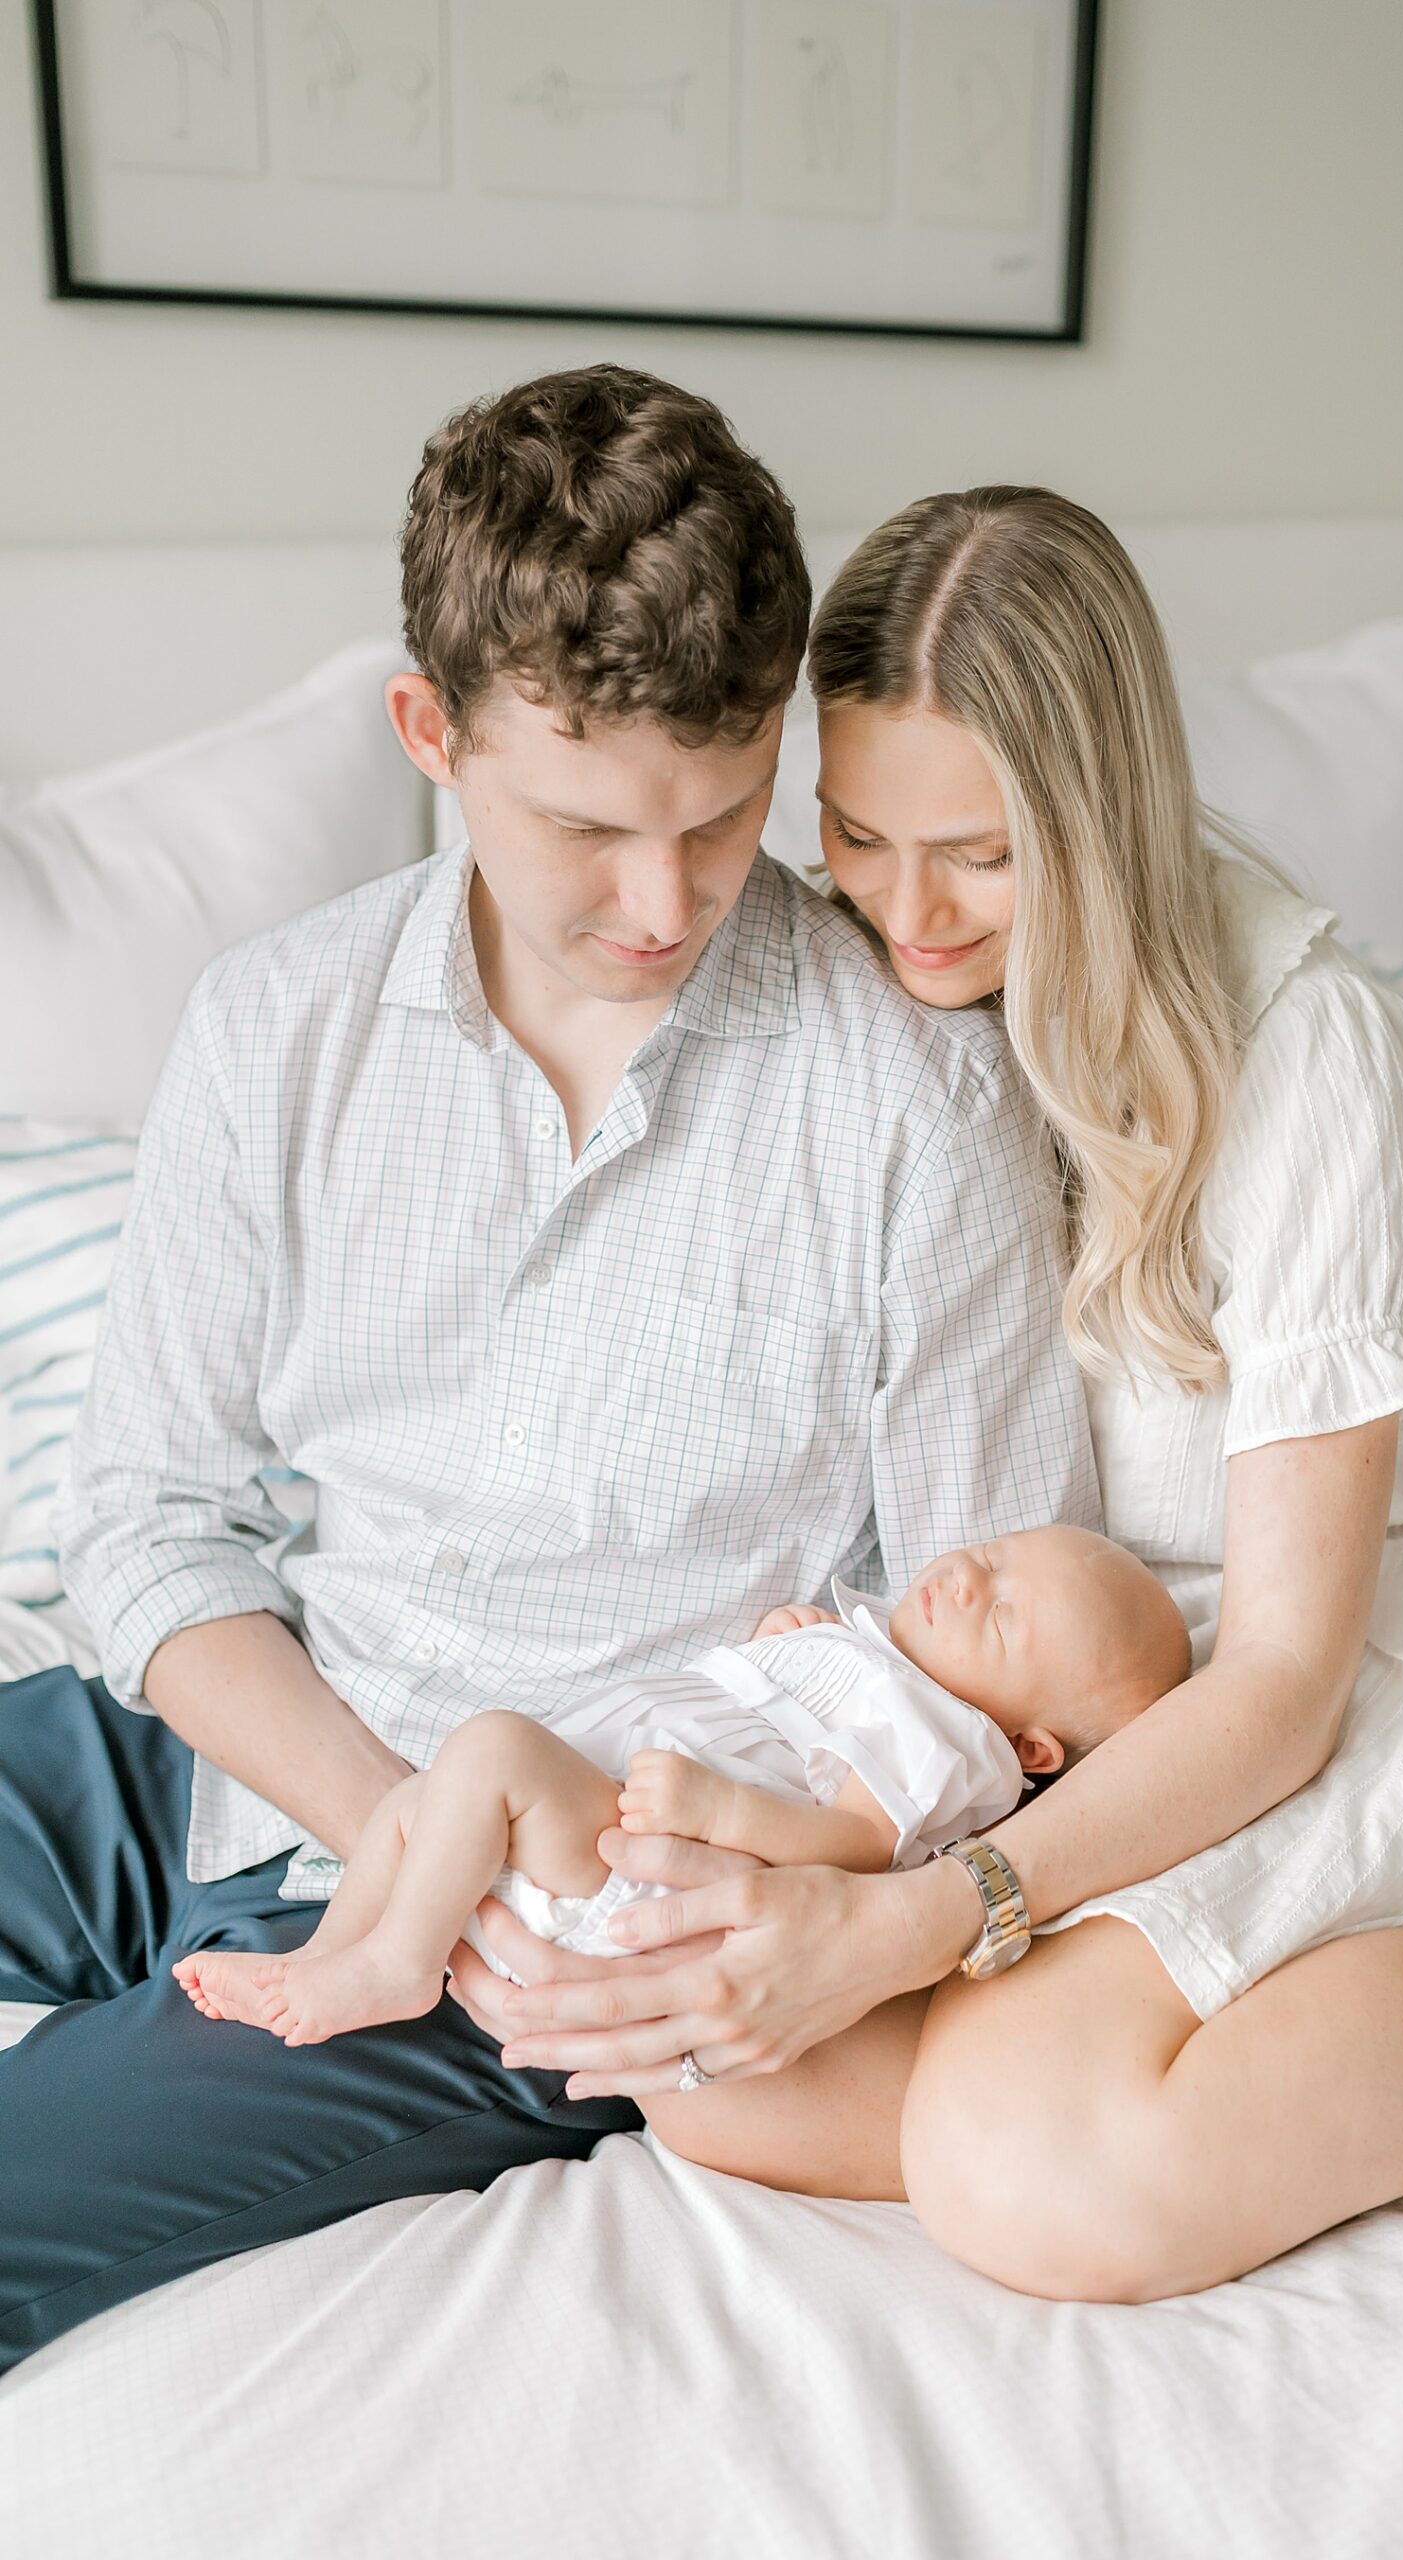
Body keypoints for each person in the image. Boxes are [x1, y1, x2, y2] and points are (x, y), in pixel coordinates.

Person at [456, 486, 1403, 2293]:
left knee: (1031, 2174)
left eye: (976, 853)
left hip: (1343, 1648)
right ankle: (1112, 2058)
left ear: (1101, 818)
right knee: (711, 2084)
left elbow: (1279, 1680)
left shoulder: (1311, 1047)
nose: (904, 912)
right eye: (857, 837)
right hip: (1053, 1668)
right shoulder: (867, 978)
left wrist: (922, 1919)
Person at [0, 384, 1100, 2373]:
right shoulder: (277, 1024)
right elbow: (150, 1514)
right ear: (432, 738)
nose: (664, 905)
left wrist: (508, 1879)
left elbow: (979, 1643)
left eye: (722, 806)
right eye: (585, 827)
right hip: (246, 1761)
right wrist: (400, 1822)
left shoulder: (915, 1099)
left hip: (553, 1928)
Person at [170, 1527, 1186, 2148]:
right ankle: (326, 1956)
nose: (968, 1579)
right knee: (414, 1803)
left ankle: (395, 1962)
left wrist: (728, 1812)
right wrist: (787, 1653)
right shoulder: (885, 1662)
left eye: (1002, 1616)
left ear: (1030, 1747)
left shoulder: (950, 1741)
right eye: (996, 1556)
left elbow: (858, 1847)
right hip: (613, 1822)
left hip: (640, 1871)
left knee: (487, 1753)